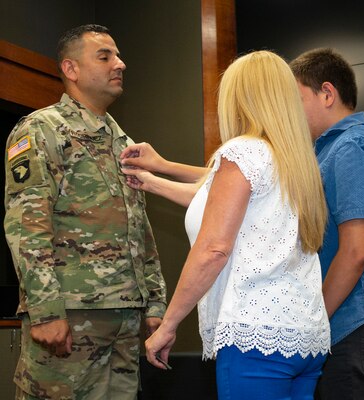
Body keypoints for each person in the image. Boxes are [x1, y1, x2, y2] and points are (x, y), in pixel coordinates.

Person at [121, 50, 330, 400]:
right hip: (306, 338)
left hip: (256, 340)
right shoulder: (295, 161)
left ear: (239, 98)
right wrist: (154, 179)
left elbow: (213, 248)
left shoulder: (242, 152)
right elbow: (219, 198)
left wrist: (169, 324)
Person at [4, 24, 166, 400]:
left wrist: (154, 299)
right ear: (71, 69)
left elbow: (139, 225)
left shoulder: (123, 140)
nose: (120, 64)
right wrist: (45, 310)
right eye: (105, 56)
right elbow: (26, 224)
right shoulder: (41, 129)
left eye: (119, 55)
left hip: (125, 315)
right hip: (71, 315)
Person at [289, 48, 364, 400]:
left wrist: (313, 317)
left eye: (296, 99)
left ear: (327, 93)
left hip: (353, 324)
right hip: (338, 325)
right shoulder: (325, 151)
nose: (291, 112)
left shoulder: (352, 147)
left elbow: (355, 252)